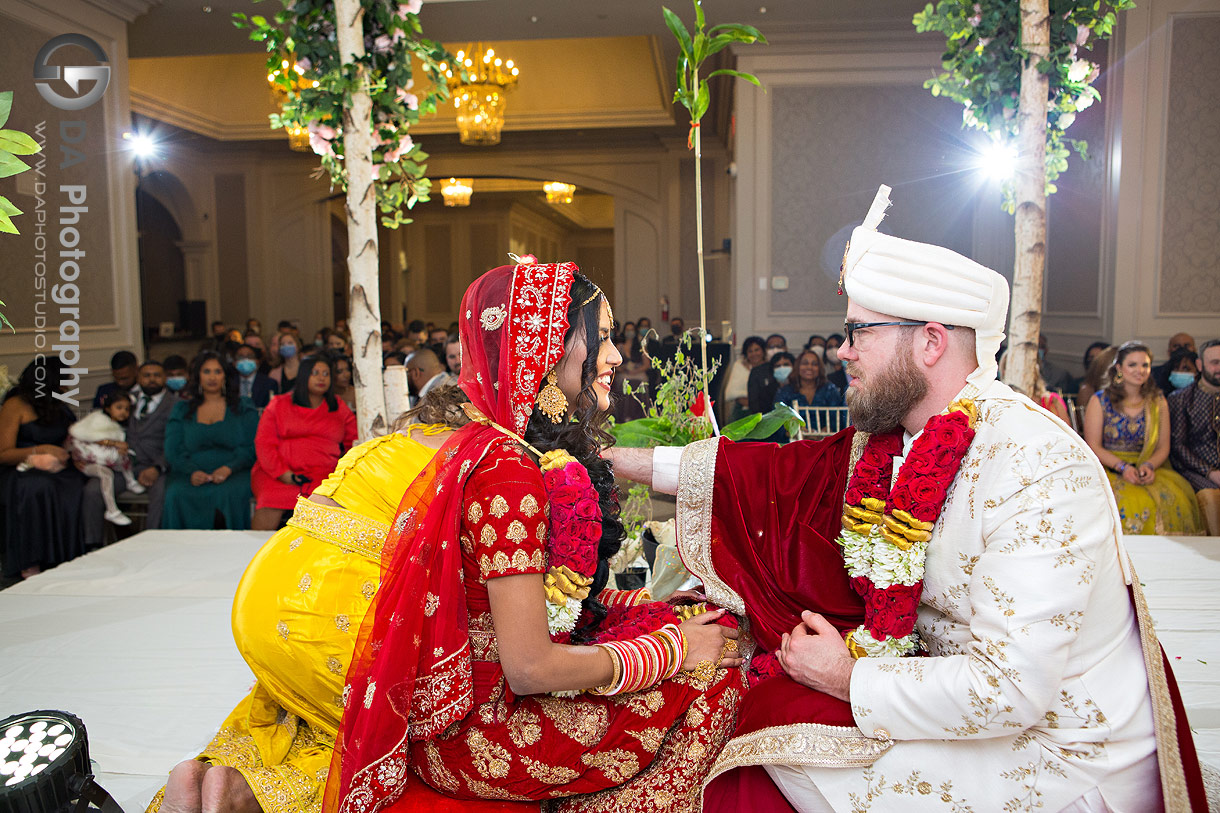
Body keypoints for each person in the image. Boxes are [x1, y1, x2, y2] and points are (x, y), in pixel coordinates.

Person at [606, 186, 1205, 812]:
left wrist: (845, 675)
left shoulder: (1034, 467)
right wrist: (619, 462)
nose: (842, 350)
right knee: (755, 715)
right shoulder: (895, 439)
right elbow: (781, 476)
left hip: (1057, 752)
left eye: (858, 331)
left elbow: (1008, 690)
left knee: (769, 743)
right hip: (948, 697)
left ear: (930, 341)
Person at [324, 261, 744, 812]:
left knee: (707, 625)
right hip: (482, 730)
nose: (616, 357)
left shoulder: (510, 449)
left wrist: (653, 607)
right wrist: (672, 650)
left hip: (485, 702)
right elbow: (529, 667)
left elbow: (550, 606)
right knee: (717, 681)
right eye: (601, 339)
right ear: (547, 349)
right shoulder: (509, 472)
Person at [1084, 341, 1203, 535]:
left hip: (1147, 469)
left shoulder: (1157, 401)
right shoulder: (1099, 400)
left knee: (1167, 502)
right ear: (1119, 368)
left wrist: (1148, 466)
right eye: (1133, 365)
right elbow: (1093, 446)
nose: (1140, 370)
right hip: (1110, 468)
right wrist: (1123, 467)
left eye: (1145, 365)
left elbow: (1164, 447)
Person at [0, 357, 92, 580]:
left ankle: (66, 556)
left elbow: (69, 436)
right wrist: (40, 450)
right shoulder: (15, 405)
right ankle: (31, 561)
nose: (67, 386)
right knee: (38, 487)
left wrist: (76, 454)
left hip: (58, 467)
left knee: (76, 483)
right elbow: (4, 454)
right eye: (63, 381)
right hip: (20, 470)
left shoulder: (57, 404)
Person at [250, 355, 357, 531]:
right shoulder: (279, 403)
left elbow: (354, 441)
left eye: (326, 373)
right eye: (315, 373)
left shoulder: (337, 406)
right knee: (271, 498)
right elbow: (264, 443)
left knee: (328, 500)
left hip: (323, 474)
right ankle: (258, 552)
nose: (322, 378)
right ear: (303, 375)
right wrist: (283, 473)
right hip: (277, 473)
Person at [162, 351, 259, 530]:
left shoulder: (243, 407)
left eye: (218, 372)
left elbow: (252, 445)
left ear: (225, 376)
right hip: (188, 473)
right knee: (175, 493)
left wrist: (228, 468)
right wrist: (191, 472)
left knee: (230, 493)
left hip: (234, 472)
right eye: (206, 372)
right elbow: (172, 450)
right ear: (198, 376)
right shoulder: (182, 409)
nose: (212, 377)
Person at [66, 391, 145, 526]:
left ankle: (130, 481)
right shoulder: (98, 420)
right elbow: (92, 437)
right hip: (88, 461)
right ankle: (112, 510)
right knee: (106, 474)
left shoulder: (115, 425)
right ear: (108, 408)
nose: (123, 412)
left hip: (103, 458)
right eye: (119, 408)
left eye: (127, 409)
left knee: (123, 458)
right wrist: (114, 444)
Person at [1170, 338, 1220, 534]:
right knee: (1212, 498)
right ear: (1200, 365)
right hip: (1195, 471)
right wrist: (1211, 473)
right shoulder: (1181, 398)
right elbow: (1179, 447)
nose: (1219, 368)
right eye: (1214, 363)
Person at [128, 360, 175, 529]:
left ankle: (152, 539)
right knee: (93, 490)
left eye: (157, 375)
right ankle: (93, 544)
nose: (152, 379)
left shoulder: (175, 404)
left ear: (165, 378)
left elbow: (175, 442)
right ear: (138, 378)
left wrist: (158, 467)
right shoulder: (128, 401)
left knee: (161, 492)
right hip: (127, 466)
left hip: (158, 467)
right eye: (146, 375)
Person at [997, 349, 1072, 425]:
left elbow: (1067, 434)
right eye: (1013, 367)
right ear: (1003, 371)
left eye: (1024, 367)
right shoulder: (998, 404)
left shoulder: (1052, 401)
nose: (1020, 372)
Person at [723, 336, 765, 423]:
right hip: (742, 413)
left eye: (757, 350)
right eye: (750, 351)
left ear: (763, 351)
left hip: (765, 413)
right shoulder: (739, 366)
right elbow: (733, 393)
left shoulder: (769, 368)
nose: (754, 354)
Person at [747, 350, 793, 417]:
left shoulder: (799, 388)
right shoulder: (766, 392)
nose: (782, 368)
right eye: (778, 366)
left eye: (786, 365)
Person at [233, 344, 276, 408]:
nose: (245, 360)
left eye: (250, 357)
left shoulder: (269, 384)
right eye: (241, 357)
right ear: (234, 363)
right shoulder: (229, 383)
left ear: (257, 361)